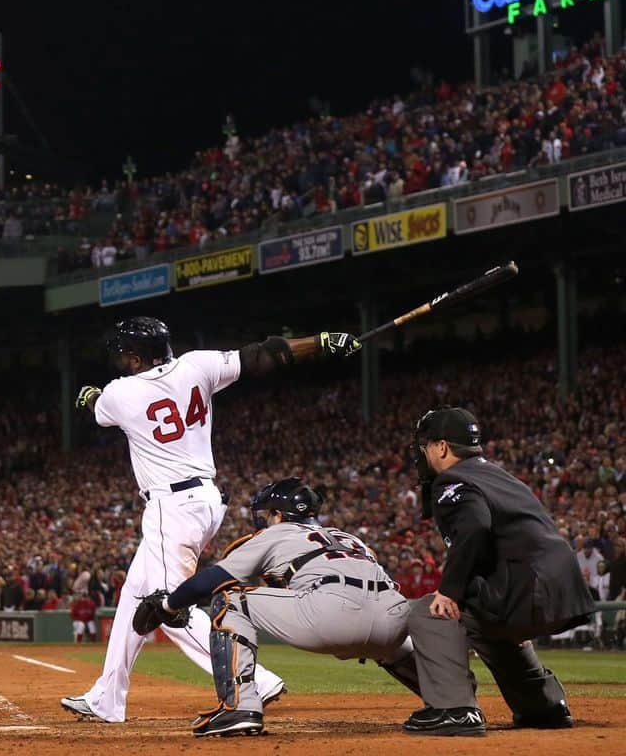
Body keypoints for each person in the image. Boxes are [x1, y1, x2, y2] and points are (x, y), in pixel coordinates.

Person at [60, 315, 363, 724]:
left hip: (171, 505)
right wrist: (322, 341)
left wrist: (89, 395)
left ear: (135, 358)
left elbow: (95, 406)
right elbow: (265, 354)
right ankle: (106, 698)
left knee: (166, 607)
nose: (121, 361)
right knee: (134, 595)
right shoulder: (197, 364)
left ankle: (258, 679)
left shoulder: (120, 393)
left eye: (124, 356)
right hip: (205, 500)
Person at [139, 478, 413, 738]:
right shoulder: (350, 538)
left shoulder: (278, 532)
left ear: (279, 515)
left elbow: (211, 580)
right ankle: (447, 702)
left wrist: (167, 605)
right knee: (391, 642)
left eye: (268, 514)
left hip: (332, 613)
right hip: (394, 617)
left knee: (230, 600)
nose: (265, 519)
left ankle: (240, 707)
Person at [403, 407, 594, 736]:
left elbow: (475, 526)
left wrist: (449, 591)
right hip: (564, 590)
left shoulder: (452, 478)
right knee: (485, 619)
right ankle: (544, 706)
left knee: (430, 611)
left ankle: (455, 710)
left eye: (426, 446)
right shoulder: (498, 475)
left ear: (442, 447)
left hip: (528, 589)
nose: (423, 454)